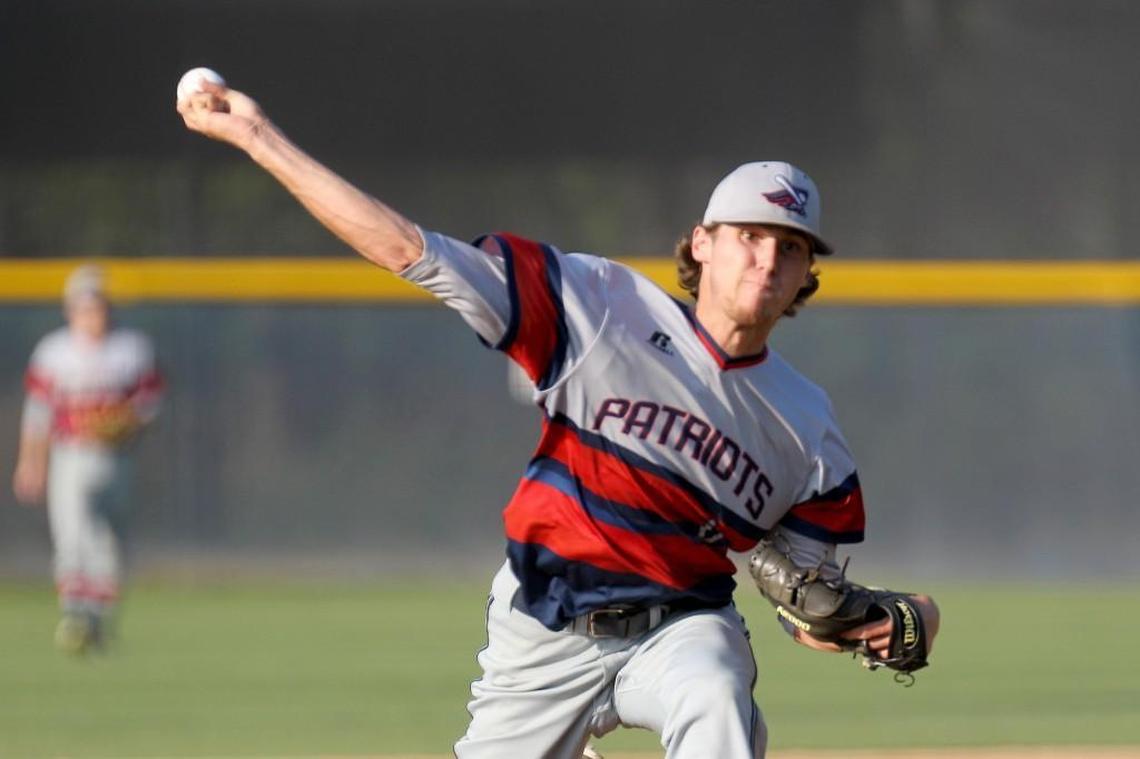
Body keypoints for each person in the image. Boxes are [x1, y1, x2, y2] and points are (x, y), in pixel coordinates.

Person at [177, 80, 940, 758]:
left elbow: (806, 606)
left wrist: (895, 619)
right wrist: (257, 137)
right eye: (748, 236)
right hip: (541, 626)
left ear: (809, 273)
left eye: (790, 247)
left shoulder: (809, 429)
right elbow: (408, 248)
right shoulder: (598, 304)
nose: (766, 261)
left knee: (716, 699)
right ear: (702, 244)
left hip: (681, 627)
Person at [12, 264, 163, 654]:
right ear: (70, 309)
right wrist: (31, 461)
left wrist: (126, 422)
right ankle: (75, 616)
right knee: (73, 537)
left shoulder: (130, 347)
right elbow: (37, 413)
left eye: (98, 305)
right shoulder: (54, 350)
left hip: (117, 458)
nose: (93, 313)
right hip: (71, 454)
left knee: (111, 542)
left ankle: (99, 619)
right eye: (84, 306)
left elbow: (150, 402)